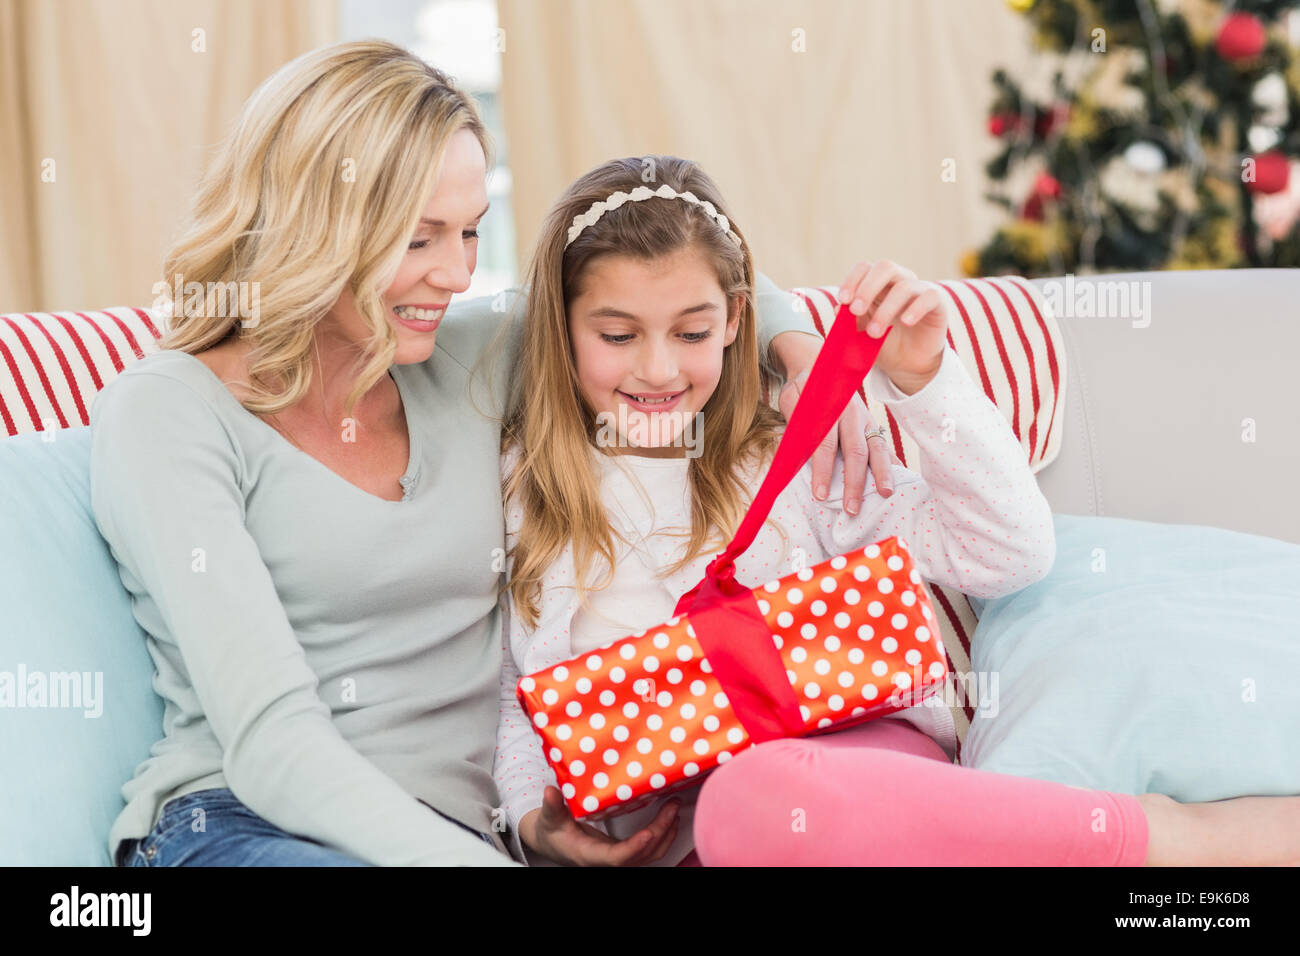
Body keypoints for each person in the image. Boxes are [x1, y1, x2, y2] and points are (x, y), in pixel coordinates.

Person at [89, 40, 881, 867]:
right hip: (243, 824)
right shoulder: (171, 412)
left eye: (469, 232)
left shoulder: (466, 357)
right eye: (420, 238)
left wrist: (795, 348)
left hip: (459, 838)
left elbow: (666, 276)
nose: (458, 274)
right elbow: (271, 744)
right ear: (314, 223)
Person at [493, 155, 1300, 867]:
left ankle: (1168, 841)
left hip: (850, 779)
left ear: (737, 320)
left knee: (749, 800)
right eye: (618, 334)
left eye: (692, 331)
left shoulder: (791, 455)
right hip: (682, 842)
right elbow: (512, 696)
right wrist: (535, 824)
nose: (659, 367)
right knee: (733, 823)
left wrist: (925, 378)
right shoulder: (530, 488)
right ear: (561, 329)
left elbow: (1010, 555)